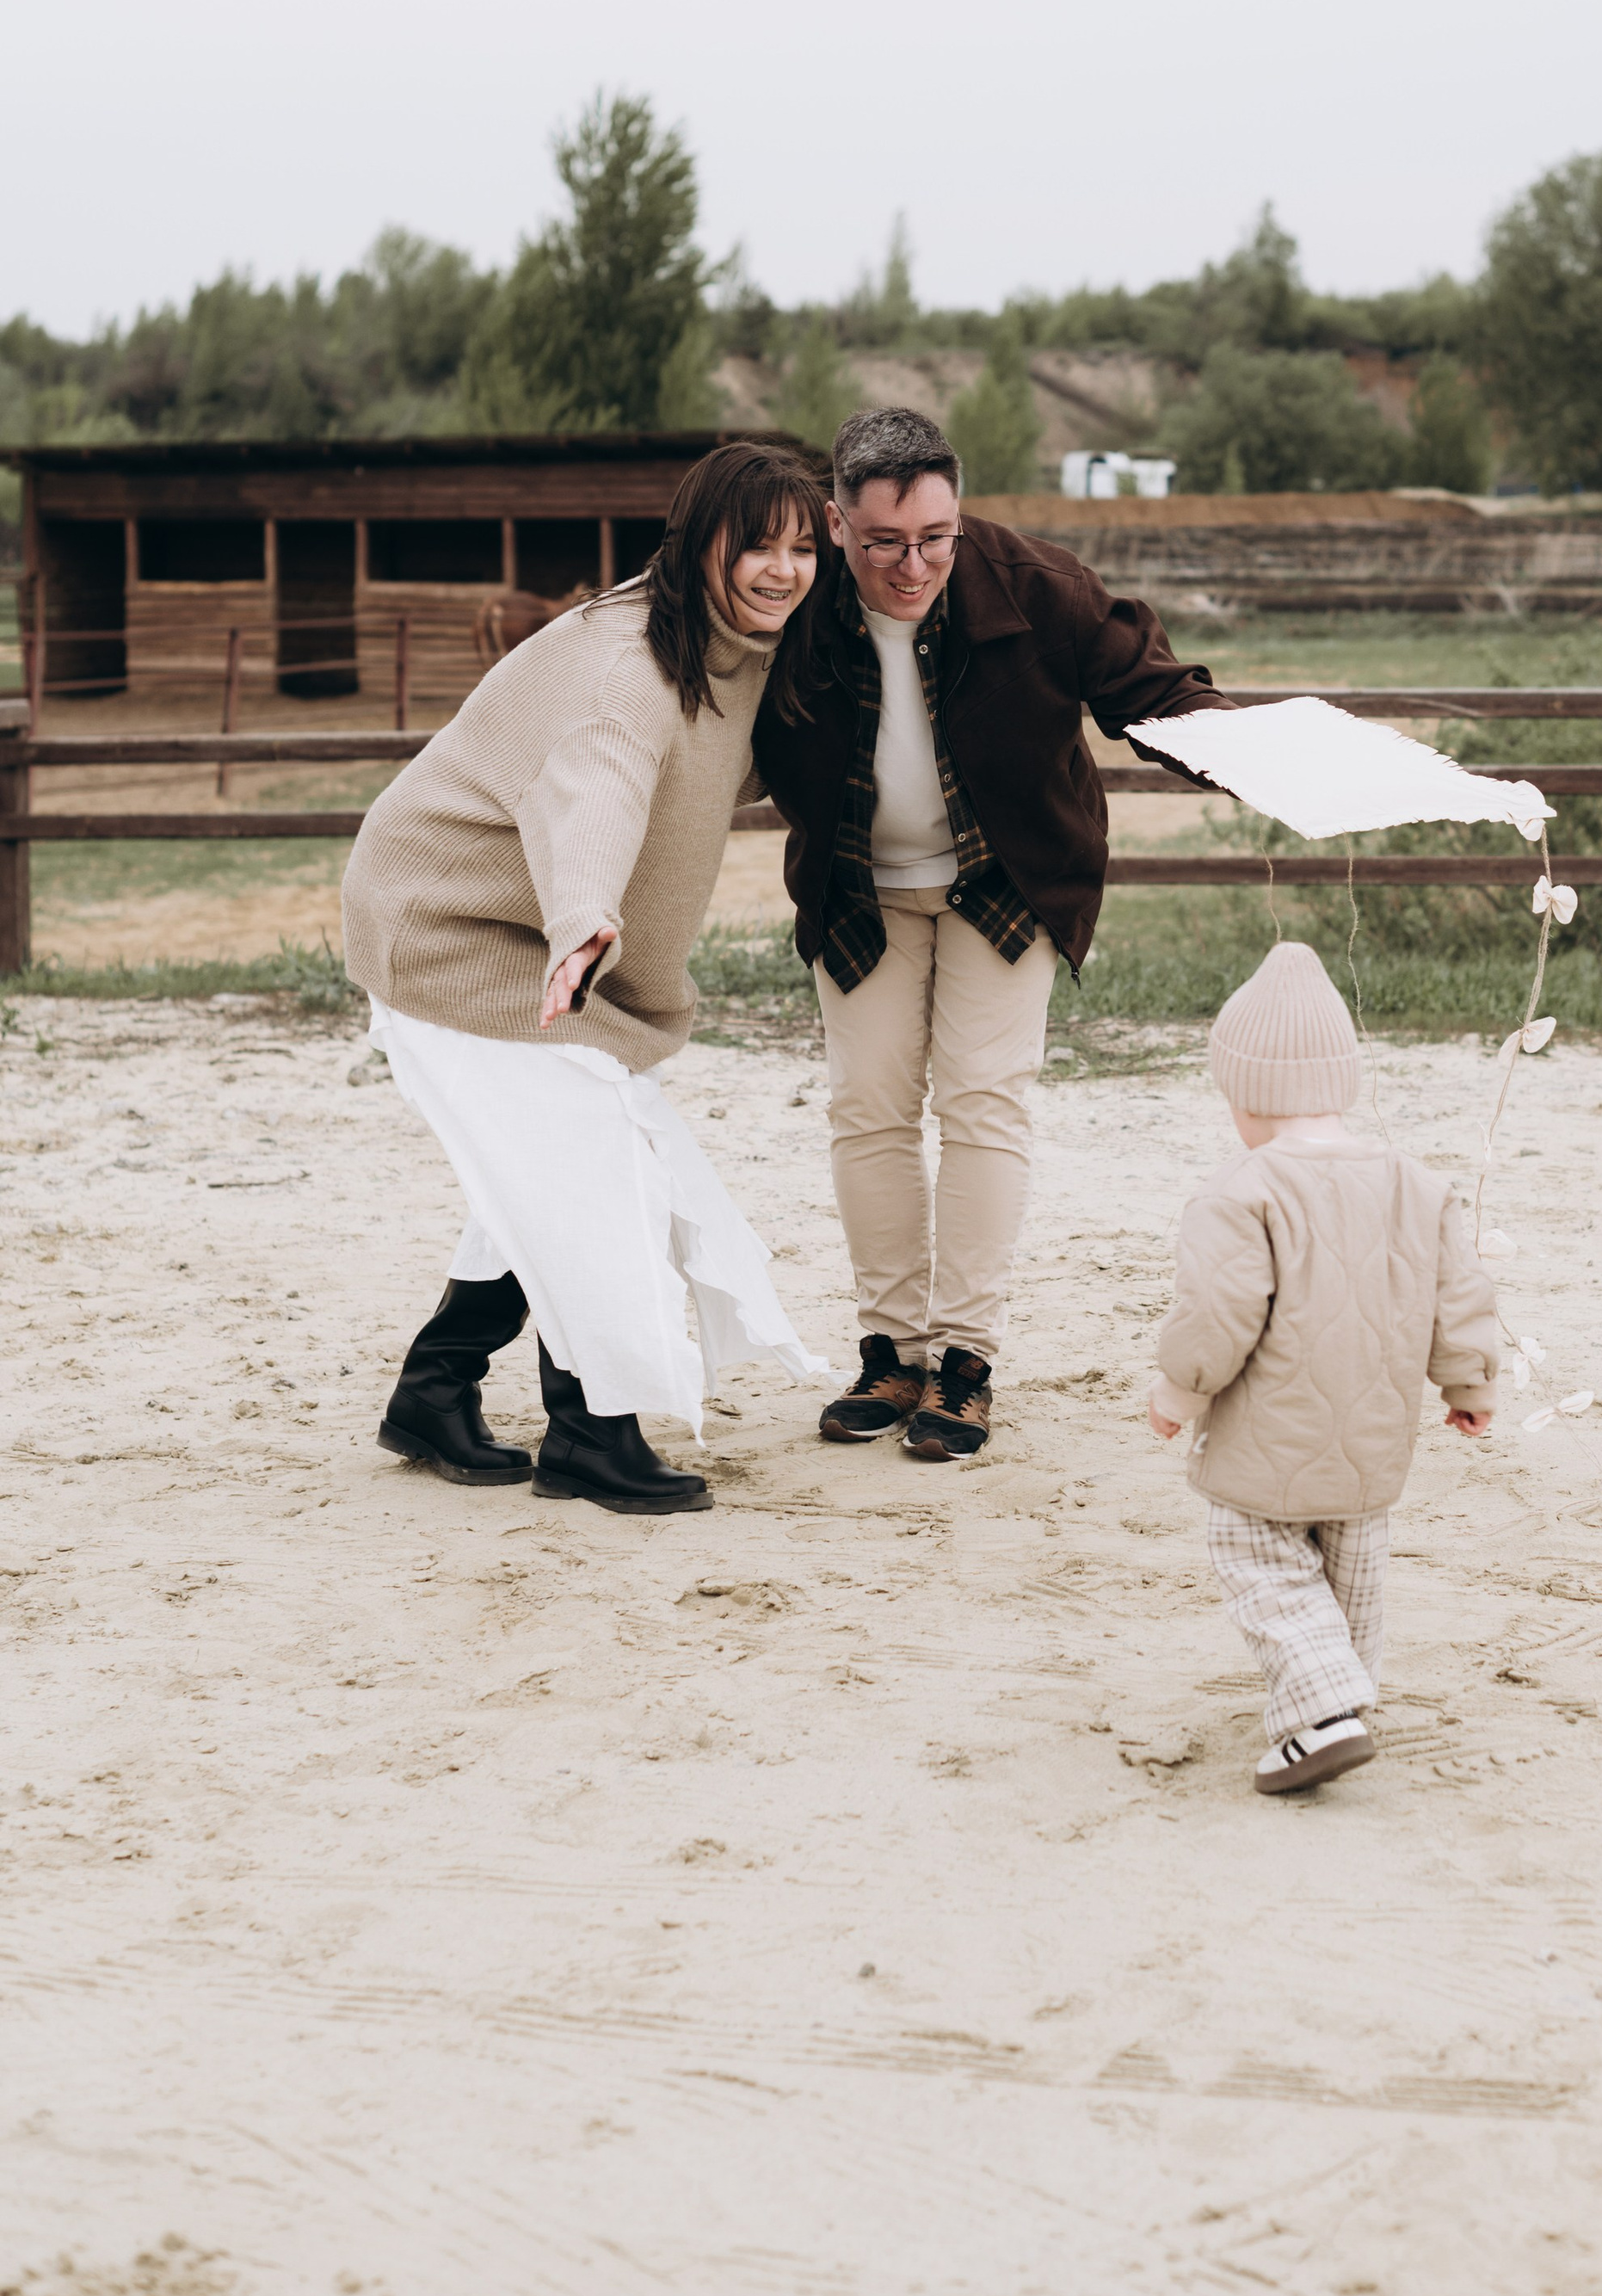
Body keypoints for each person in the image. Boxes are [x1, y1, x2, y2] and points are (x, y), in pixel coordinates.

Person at [341, 440, 836, 1516]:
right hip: (450, 924)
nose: (781, 568)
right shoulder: (629, 662)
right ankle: (588, 1432)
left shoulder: (736, 644)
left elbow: (725, 765)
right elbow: (596, 780)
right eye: (756, 542)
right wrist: (583, 916)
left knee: (549, 1157)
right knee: (593, 1156)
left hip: (541, 936)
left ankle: (434, 1389)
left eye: (802, 547)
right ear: (697, 537)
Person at [751, 404, 1229, 1464]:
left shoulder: (1036, 587)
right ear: (837, 524)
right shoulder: (799, 600)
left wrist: (1255, 757)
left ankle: (962, 1362)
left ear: (957, 516)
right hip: (857, 883)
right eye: (883, 542)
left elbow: (1152, 692)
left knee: (982, 1103)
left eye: (934, 536)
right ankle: (891, 1350)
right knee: (867, 1108)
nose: (911, 563)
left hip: (1002, 878)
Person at [1146, 940, 1501, 1792]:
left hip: (1268, 1442)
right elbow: (1460, 1291)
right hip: (1376, 1442)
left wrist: (1178, 1389)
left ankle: (1323, 1712)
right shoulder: (1417, 1183)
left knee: (1261, 1563)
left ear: (1246, 1093)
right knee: (1352, 1575)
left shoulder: (1240, 1190)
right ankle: (1344, 1694)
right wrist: (1469, 1381)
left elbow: (1216, 1312)